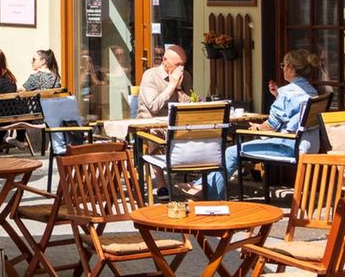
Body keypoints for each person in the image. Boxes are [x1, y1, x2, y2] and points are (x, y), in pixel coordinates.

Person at [207, 49, 324, 198]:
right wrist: (278, 95)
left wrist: (257, 128)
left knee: (230, 152)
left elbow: (271, 125)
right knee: (234, 151)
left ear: (290, 68)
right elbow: (295, 113)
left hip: (289, 146)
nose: (282, 70)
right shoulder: (311, 91)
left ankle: (210, 196)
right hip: (310, 144)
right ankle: (199, 186)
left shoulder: (287, 93)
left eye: (283, 66)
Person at [137, 44, 191, 118]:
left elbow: (189, 108)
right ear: (164, 60)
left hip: (176, 124)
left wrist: (179, 89)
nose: (181, 68)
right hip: (150, 124)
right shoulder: (150, 75)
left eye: (183, 64)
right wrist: (172, 85)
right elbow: (154, 107)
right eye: (177, 64)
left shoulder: (185, 76)